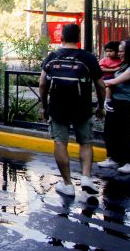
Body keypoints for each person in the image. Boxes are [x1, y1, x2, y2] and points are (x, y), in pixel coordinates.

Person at [39, 23, 106, 197]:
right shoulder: (88, 58)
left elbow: (42, 83)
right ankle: (86, 177)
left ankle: (68, 185)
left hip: (57, 107)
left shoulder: (53, 57)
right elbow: (100, 85)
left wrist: (44, 107)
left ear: (61, 37)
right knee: (86, 142)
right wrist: (100, 105)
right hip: (82, 107)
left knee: (60, 143)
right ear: (79, 38)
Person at [98, 39, 130, 174]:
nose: (119, 54)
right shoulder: (125, 66)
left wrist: (101, 82)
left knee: (123, 132)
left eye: (121, 51)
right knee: (110, 131)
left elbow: (114, 81)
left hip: (124, 102)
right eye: (118, 51)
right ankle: (114, 158)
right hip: (114, 101)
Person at [99, 40, 123, 110]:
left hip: (117, 78)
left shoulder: (120, 60)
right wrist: (113, 70)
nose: (108, 53)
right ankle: (107, 101)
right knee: (109, 87)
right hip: (107, 78)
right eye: (107, 51)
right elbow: (101, 69)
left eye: (111, 51)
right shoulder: (104, 60)